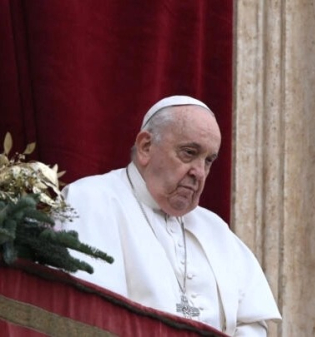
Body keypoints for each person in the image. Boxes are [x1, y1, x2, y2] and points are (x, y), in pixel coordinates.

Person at [60, 95, 281, 336]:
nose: (199, 172)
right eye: (189, 152)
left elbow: (252, 323)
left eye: (208, 160)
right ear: (146, 147)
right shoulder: (91, 201)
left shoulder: (216, 229)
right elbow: (92, 317)